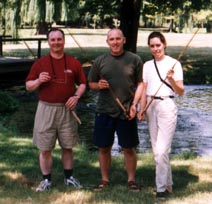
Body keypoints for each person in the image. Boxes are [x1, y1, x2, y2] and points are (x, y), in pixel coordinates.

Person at [25, 28, 86, 191]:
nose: (56, 42)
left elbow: (83, 83)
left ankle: (69, 178)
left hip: (67, 109)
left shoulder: (73, 62)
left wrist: (76, 97)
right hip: (46, 108)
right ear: (48, 42)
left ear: (64, 41)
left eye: (59, 39)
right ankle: (46, 180)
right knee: (45, 148)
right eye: (53, 40)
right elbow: (28, 86)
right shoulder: (40, 63)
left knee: (68, 146)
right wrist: (38, 81)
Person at [88, 28, 144, 191]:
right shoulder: (100, 61)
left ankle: (131, 181)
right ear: (107, 42)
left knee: (129, 147)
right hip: (104, 111)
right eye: (111, 39)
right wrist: (99, 85)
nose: (115, 42)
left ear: (124, 40)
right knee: (104, 147)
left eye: (118, 39)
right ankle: (104, 180)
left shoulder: (135, 59)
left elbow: (141, 84)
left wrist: (135, 105)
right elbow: (91, 83)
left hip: (127, 111)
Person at [138, 31, 184, 198]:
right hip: (151, 105)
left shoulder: (174, 64)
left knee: (161, 150)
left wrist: (171, 79)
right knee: (158, 150)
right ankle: (169, 184)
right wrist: (141, 109)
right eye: (152, 46)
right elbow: (144, 88)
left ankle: (161, 189)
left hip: (167, 104)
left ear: (164, 44)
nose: (156, 48)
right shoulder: (147, 65)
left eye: (158, 45)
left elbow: (181, 91)